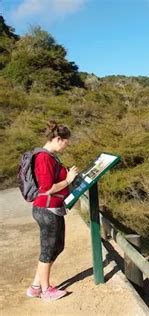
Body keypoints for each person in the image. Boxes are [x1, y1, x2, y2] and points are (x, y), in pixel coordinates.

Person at [25, 121, 78, 301]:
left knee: (57, 246)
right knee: (48, 250)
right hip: (46, 209)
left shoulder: (50, 156)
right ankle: (46, 291)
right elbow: (46, 188)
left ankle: (35, 287)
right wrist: (68, 180)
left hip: (52, 208)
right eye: (65, 142)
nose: (66, 146)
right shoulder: (44, 158)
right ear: (57, 139)